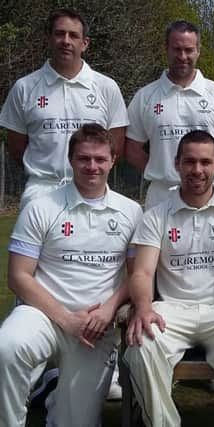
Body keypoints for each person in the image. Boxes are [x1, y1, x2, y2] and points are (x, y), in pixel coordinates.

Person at [0, 124, 142, 427]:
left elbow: (137, 276)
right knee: (7, 346)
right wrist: (66, 319)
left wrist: (108, 309)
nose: (92, 166)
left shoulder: (131, 212)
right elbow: (18, 276)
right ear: (71, 159)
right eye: (84, 158)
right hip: (44, 316)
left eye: (100, 159)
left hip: (95, 329)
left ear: (113, 159)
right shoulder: (41, 207)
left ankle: (57, 394)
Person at [123, 130, 214, 427]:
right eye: (189, 162)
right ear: (177, 164)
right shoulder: (156, 215)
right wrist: (144, 307)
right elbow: (143, 271)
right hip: (172, 310)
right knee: (140, 346)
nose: (197, 170)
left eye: (205, 162)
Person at [0, 8, 128, 209]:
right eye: (60, 34)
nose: (66, 41)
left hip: (92, 189)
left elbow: (116, 145)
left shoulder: (107, 87)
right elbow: (17, 147)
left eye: (73, 35)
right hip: (42, 191)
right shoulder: (24, 87)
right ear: (49, 39)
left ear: (84, 43)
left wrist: (89, 173)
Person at [125, 20, 214, 209]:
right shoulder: (145, 96)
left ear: (198, 50)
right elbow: (132, 149)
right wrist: (161, 171)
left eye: (188, 50)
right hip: (161, 197)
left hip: (208, 195)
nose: (182, 56)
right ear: (166, 49)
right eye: (176, 49)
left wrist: (209, 174)